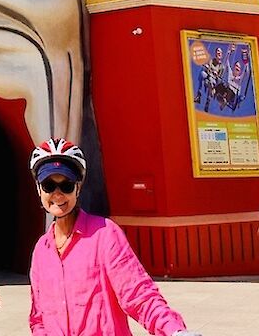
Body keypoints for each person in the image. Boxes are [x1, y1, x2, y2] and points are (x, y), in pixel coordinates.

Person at [28, 139, 198, 336]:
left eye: (66, 185)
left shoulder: (105, 234)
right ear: (39, 189)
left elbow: (137, 293)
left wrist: (173, 329)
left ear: (78, 188)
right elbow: (38, 318)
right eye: (49, 185)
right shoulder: (42, 250)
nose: (58, 194)